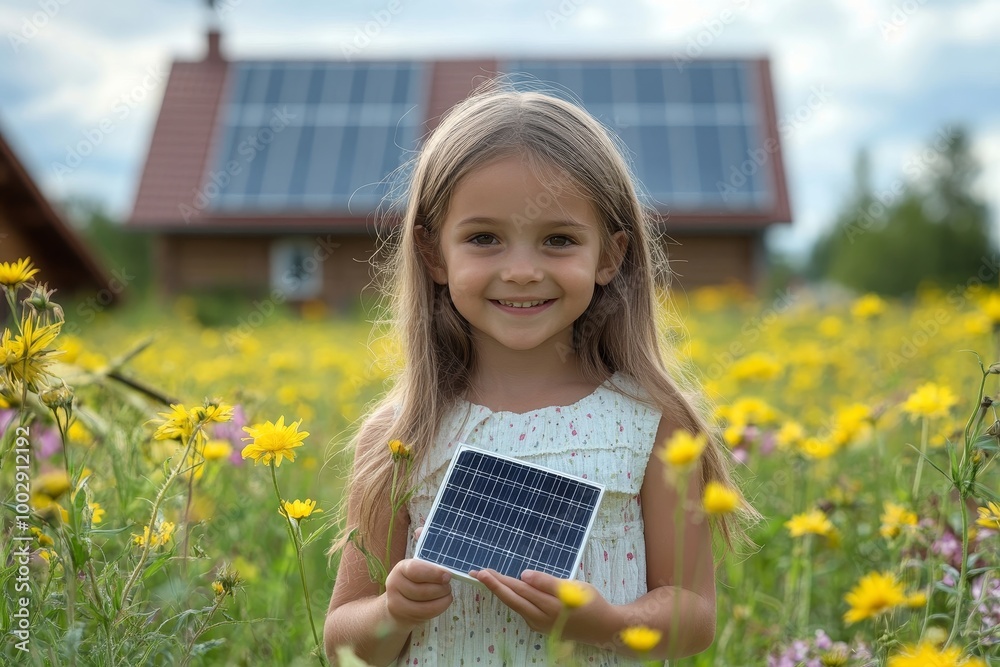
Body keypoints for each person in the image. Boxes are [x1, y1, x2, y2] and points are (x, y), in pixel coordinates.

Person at [324, 77, 755, 666]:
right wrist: (392, 610)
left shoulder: (653, 423)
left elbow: (694, 617)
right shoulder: (401, 435)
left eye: (557, 239)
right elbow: (344, 641)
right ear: (433, 254)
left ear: (610, 255)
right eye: (484, 238)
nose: (522, 270)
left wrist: (608, 622)